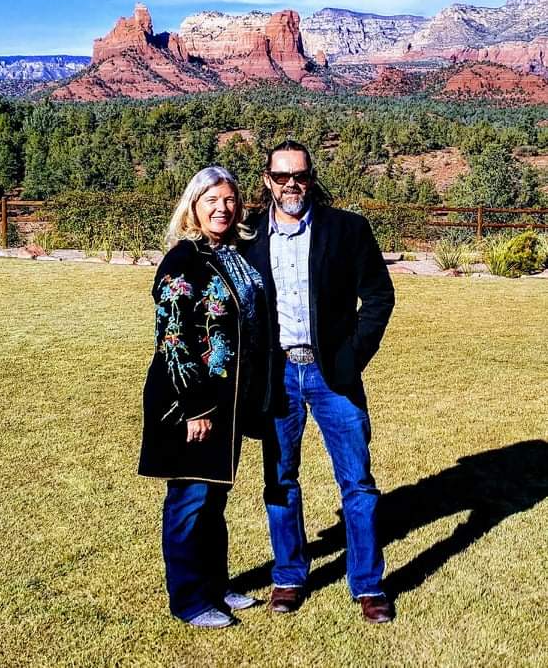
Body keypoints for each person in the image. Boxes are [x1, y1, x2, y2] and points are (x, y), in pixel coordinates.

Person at [244, 140, 396, 623]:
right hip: (278, 375)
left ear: (312, 177)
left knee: (357, 482)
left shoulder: (347, 229)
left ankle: (368, 585)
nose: (293, 183)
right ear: (267, 179)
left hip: (334, 375)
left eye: (301, 175)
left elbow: (378, 296)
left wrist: (353, 357)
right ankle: (289, 575)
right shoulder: (247, 238)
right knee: (280, 479)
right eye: (282, 175)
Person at [138, 166, 266, 628]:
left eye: (230, 199)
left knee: (213, 499)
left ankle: (216, 584)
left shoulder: (232, 255)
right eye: (211, 199)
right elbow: (172, 337)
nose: (222, 208)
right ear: (193, 205)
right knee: (189, 499)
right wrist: (196, 407)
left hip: (227, 404)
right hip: (189, 404)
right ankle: (189, 599)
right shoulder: (182, 259)